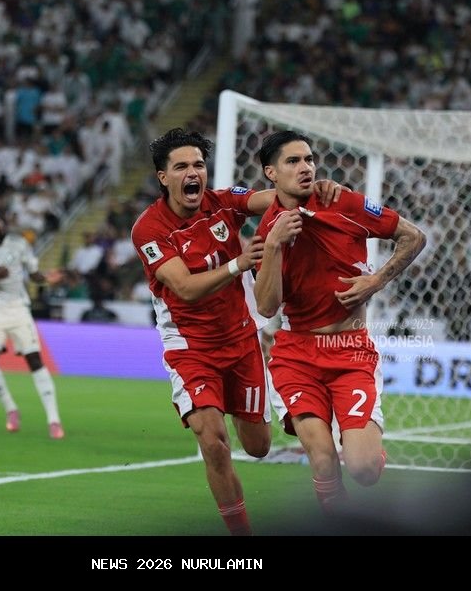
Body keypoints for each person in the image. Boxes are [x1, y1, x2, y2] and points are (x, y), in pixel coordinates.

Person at [131, 127, 340, 535]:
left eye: (198, 164)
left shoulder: (223, 202)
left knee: (258, 447)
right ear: (163, 177)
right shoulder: (149, 229)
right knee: (212, 442)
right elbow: (185, 288)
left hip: (242, 341)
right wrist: (238, 264)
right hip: (190, 348)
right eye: (181, 167)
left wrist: (315, 188)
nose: (193, 173)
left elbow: (272, 197)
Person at [253, 130, 426, 517]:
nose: (306, 167)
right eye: (293, 161)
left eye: (309, 159)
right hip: (296, 355)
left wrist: (375, 281)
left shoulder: (342, 201)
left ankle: (367, 455)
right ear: (271, 173)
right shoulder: (268, 231)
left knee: (363, 469)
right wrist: (274, 245)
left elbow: (413, 236)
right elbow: (266, 307)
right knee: (323, 460)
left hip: (349, 351)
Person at [0, 209, 65, 438]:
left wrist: (48, 279)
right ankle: (11, 409)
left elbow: (34, 274)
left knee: (34, 359)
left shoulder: (19, 244)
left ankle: (54, 420)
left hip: (18, 309)